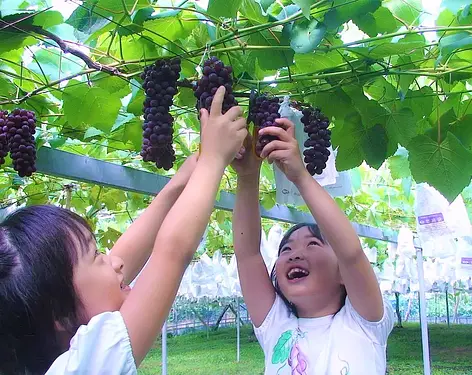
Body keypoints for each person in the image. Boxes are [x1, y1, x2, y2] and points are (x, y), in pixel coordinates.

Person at [0, 86, 247, 375]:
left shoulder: (51, 351)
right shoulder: (85, 368)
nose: (115, 261)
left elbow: (111, 268)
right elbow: (172, 252)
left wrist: (179, 184)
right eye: (96, 256)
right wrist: (213, 160)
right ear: (59, 313)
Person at [232, 118, 394, 374]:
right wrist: (248, 175)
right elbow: (247, 255)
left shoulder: (364, 322)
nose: (295, 254)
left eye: (313, 244)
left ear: (342, 272)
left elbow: (351, 254)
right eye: (286, 250)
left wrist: (301, 177)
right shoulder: (276, 327)